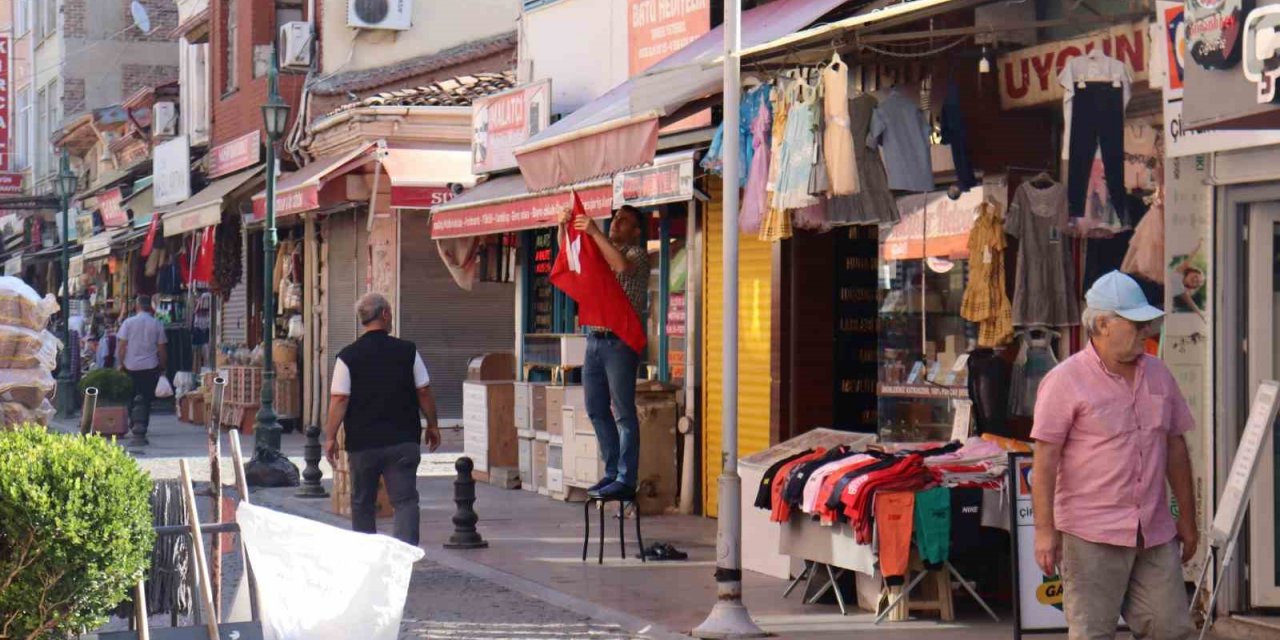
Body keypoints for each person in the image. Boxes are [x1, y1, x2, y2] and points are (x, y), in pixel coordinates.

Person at [1031, 271, 1198, 640]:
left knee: (1172, 629)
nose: (1145, 331)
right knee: (1093, 633)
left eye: (1146, 323)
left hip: (1153, 531)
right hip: (1091, 533)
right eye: (1135, 323)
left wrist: (1188, 518)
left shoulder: (1159, 374)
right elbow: (1044, 461)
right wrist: (1045, 531)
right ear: (1103, 324)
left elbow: (1175, 448)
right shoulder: (1064, 380)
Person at [323, 292, 441, 546]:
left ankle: (367, 558)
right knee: (405, 501)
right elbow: (423, 390)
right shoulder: (408, 351)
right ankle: (403, 556)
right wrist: (432, 425)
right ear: (385, 315)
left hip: (363, 443)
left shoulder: (347, 357)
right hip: (402, 440)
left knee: (362, 503)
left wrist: (330, 436)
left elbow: (339, 399)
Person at [557, 205, 650, 500]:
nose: (616, 222)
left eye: (624, 221)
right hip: (595, 339)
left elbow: (620, 266)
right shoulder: (599, 250)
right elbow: (572, 259)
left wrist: (594, 231)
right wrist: (564, 228)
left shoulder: (637, 255)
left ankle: (626, 477)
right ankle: (612, 472)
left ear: (636, 232)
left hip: (620, 341)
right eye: (616, 218)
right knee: (596, 408)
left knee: (623, 413)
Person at [116, 295, 168, 443]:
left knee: (131, 397)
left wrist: (121, 363)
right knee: (146, 398)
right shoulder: (157, 324)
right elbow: (162, 348)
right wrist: (163, 365)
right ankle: (143, 424)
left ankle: (134, 422)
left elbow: (121, 345)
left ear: (137, 306)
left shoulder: (128, 323)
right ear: (150, 307)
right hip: (150, 366)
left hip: (130, 366)